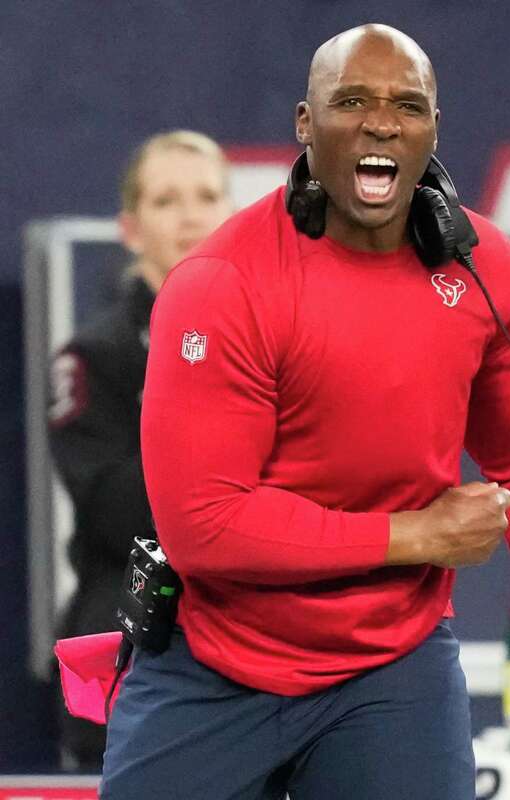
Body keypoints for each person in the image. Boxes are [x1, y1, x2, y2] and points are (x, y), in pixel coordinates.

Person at [101, 24, 510, 800]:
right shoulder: (221, 283)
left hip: (392, 670)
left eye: (407, 105)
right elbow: (204, 527)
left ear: (432, 129)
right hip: (211, 663)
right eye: (351, 101)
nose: (381, 122)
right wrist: (418, 535)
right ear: (304, 124)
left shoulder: (480, 269)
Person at [47, 130, 233, 769]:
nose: (190, 216)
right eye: (165, 200)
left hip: (255, 644)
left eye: (207, 196)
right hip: (130, 636)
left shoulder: (273, 341)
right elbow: (114, 507)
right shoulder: (93, 358)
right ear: (130, 228)